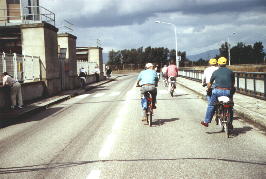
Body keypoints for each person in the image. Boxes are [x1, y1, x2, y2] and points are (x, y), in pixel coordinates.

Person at [201, 57, 235, 129]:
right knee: (230, 106)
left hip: (217, 91)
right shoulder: (231, 72)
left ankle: (206, 122)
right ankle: (230, 123)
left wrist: (208, 88)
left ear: (218, 63)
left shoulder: (215, 72)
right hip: (228, 91)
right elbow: (233, 83)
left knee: (211, 105)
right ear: (226, 63)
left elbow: (210, 83)